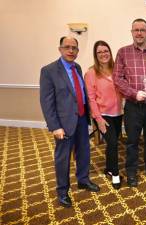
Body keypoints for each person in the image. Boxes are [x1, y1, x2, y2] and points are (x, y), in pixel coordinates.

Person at [40, 36, 100, 208]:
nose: (71, 51)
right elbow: (46, 102)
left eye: (74, 48)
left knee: (84, 152)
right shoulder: (49, 71)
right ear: (60, 49)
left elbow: (79, 93)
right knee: (63, 158)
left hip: (81, 119)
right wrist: (54, 126)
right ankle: (62, 191)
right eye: (67, 47)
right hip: (63, 123)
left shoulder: (77, 67)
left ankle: (83, 180)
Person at [113, 18, 146, 187]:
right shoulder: (123, 52)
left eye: (142, 30)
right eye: (135, 30)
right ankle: (131, 171)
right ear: (131, 32)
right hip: (133, 106)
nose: (139, 33)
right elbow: (117, 78)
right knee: (132, 141)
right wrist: (133, 93)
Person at [84, 40, 123, 190]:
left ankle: (108, 168)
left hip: (118, 113)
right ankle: (115, 174)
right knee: (112, 143)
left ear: (110, 52)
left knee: (112, 144)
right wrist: (98, 119)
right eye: (99, 52)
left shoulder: (117, 70)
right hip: (103, 115)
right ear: (96, 55)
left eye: (105, 51)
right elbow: (91, 98)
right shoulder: (91, 73)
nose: (103, 54)